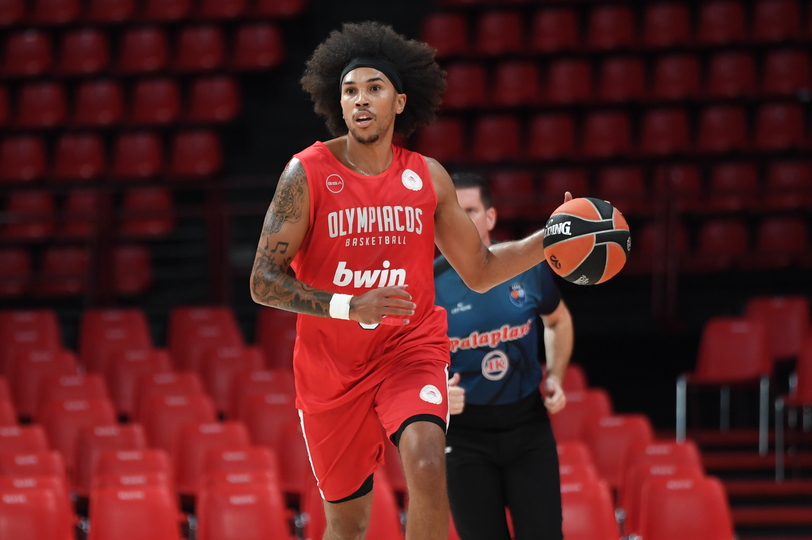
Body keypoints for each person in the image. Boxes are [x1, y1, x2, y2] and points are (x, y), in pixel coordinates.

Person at [249, 21, 570, 540]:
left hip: (409, 349)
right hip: (332, 368)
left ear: (399, 102)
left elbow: (481, 269)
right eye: (350, 90)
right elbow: (263, 281)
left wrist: (550, 239)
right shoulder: (306, 174)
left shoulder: (427, 177)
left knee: (426, 460)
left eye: (374, 88)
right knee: (347, 525)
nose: (360, 99)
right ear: (339, 103)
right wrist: (349, 306)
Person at [434, 172, 574, 540]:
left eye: (470, 211)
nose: (461, 221)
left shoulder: (526, 267)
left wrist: (556, 376)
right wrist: (436, 394)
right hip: (463, 437)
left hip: (528, 427)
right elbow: (401, 361)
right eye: (452, 213)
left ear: (491, 217)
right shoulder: (427, 283)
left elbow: (558, 321)